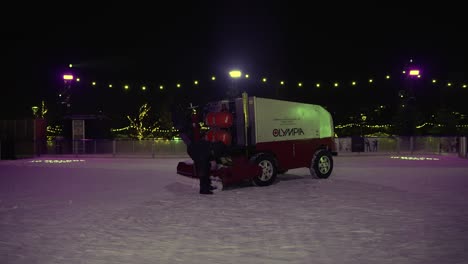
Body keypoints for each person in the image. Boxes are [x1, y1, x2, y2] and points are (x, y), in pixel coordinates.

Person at [171, 103, 227, 195]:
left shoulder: (208, 146)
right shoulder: (187, 130)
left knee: (206, 167)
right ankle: (204, 189)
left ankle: (207, 186)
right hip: (196, 149)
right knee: (204, 169)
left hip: (196, 148)